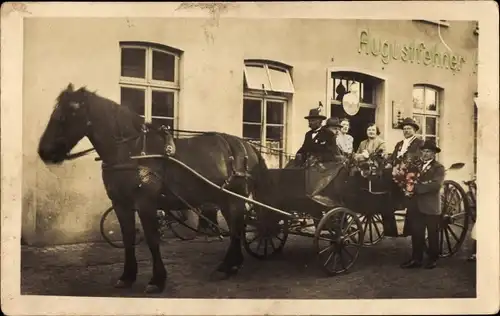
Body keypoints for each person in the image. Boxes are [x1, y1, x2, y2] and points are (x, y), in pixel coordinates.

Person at [400, 139, 445, 269]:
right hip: (416, 205)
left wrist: (416, 188)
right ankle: (416, 259)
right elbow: (408, 178)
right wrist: (407, 186)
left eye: (428, 152)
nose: (425, 154)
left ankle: (433, 259)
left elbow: (436, 185)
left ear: (433, 154)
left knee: (432, 233)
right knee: (417, 233)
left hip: (430, 206)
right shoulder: (417, 165)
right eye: (424, 151)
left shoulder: (438, 167)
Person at [386, 117, 425, 237]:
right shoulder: (400, 144)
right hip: (397, 172)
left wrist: (403, 166)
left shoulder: (419, 143)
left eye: (409, 128)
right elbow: (393, 157)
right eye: (404, 129)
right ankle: (390, 229)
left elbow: (417, 157)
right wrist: (388, 163)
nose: (406, 131)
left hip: (412, 172)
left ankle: (410, 229)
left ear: (414, 130)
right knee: (384, 186)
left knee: (411, 199)